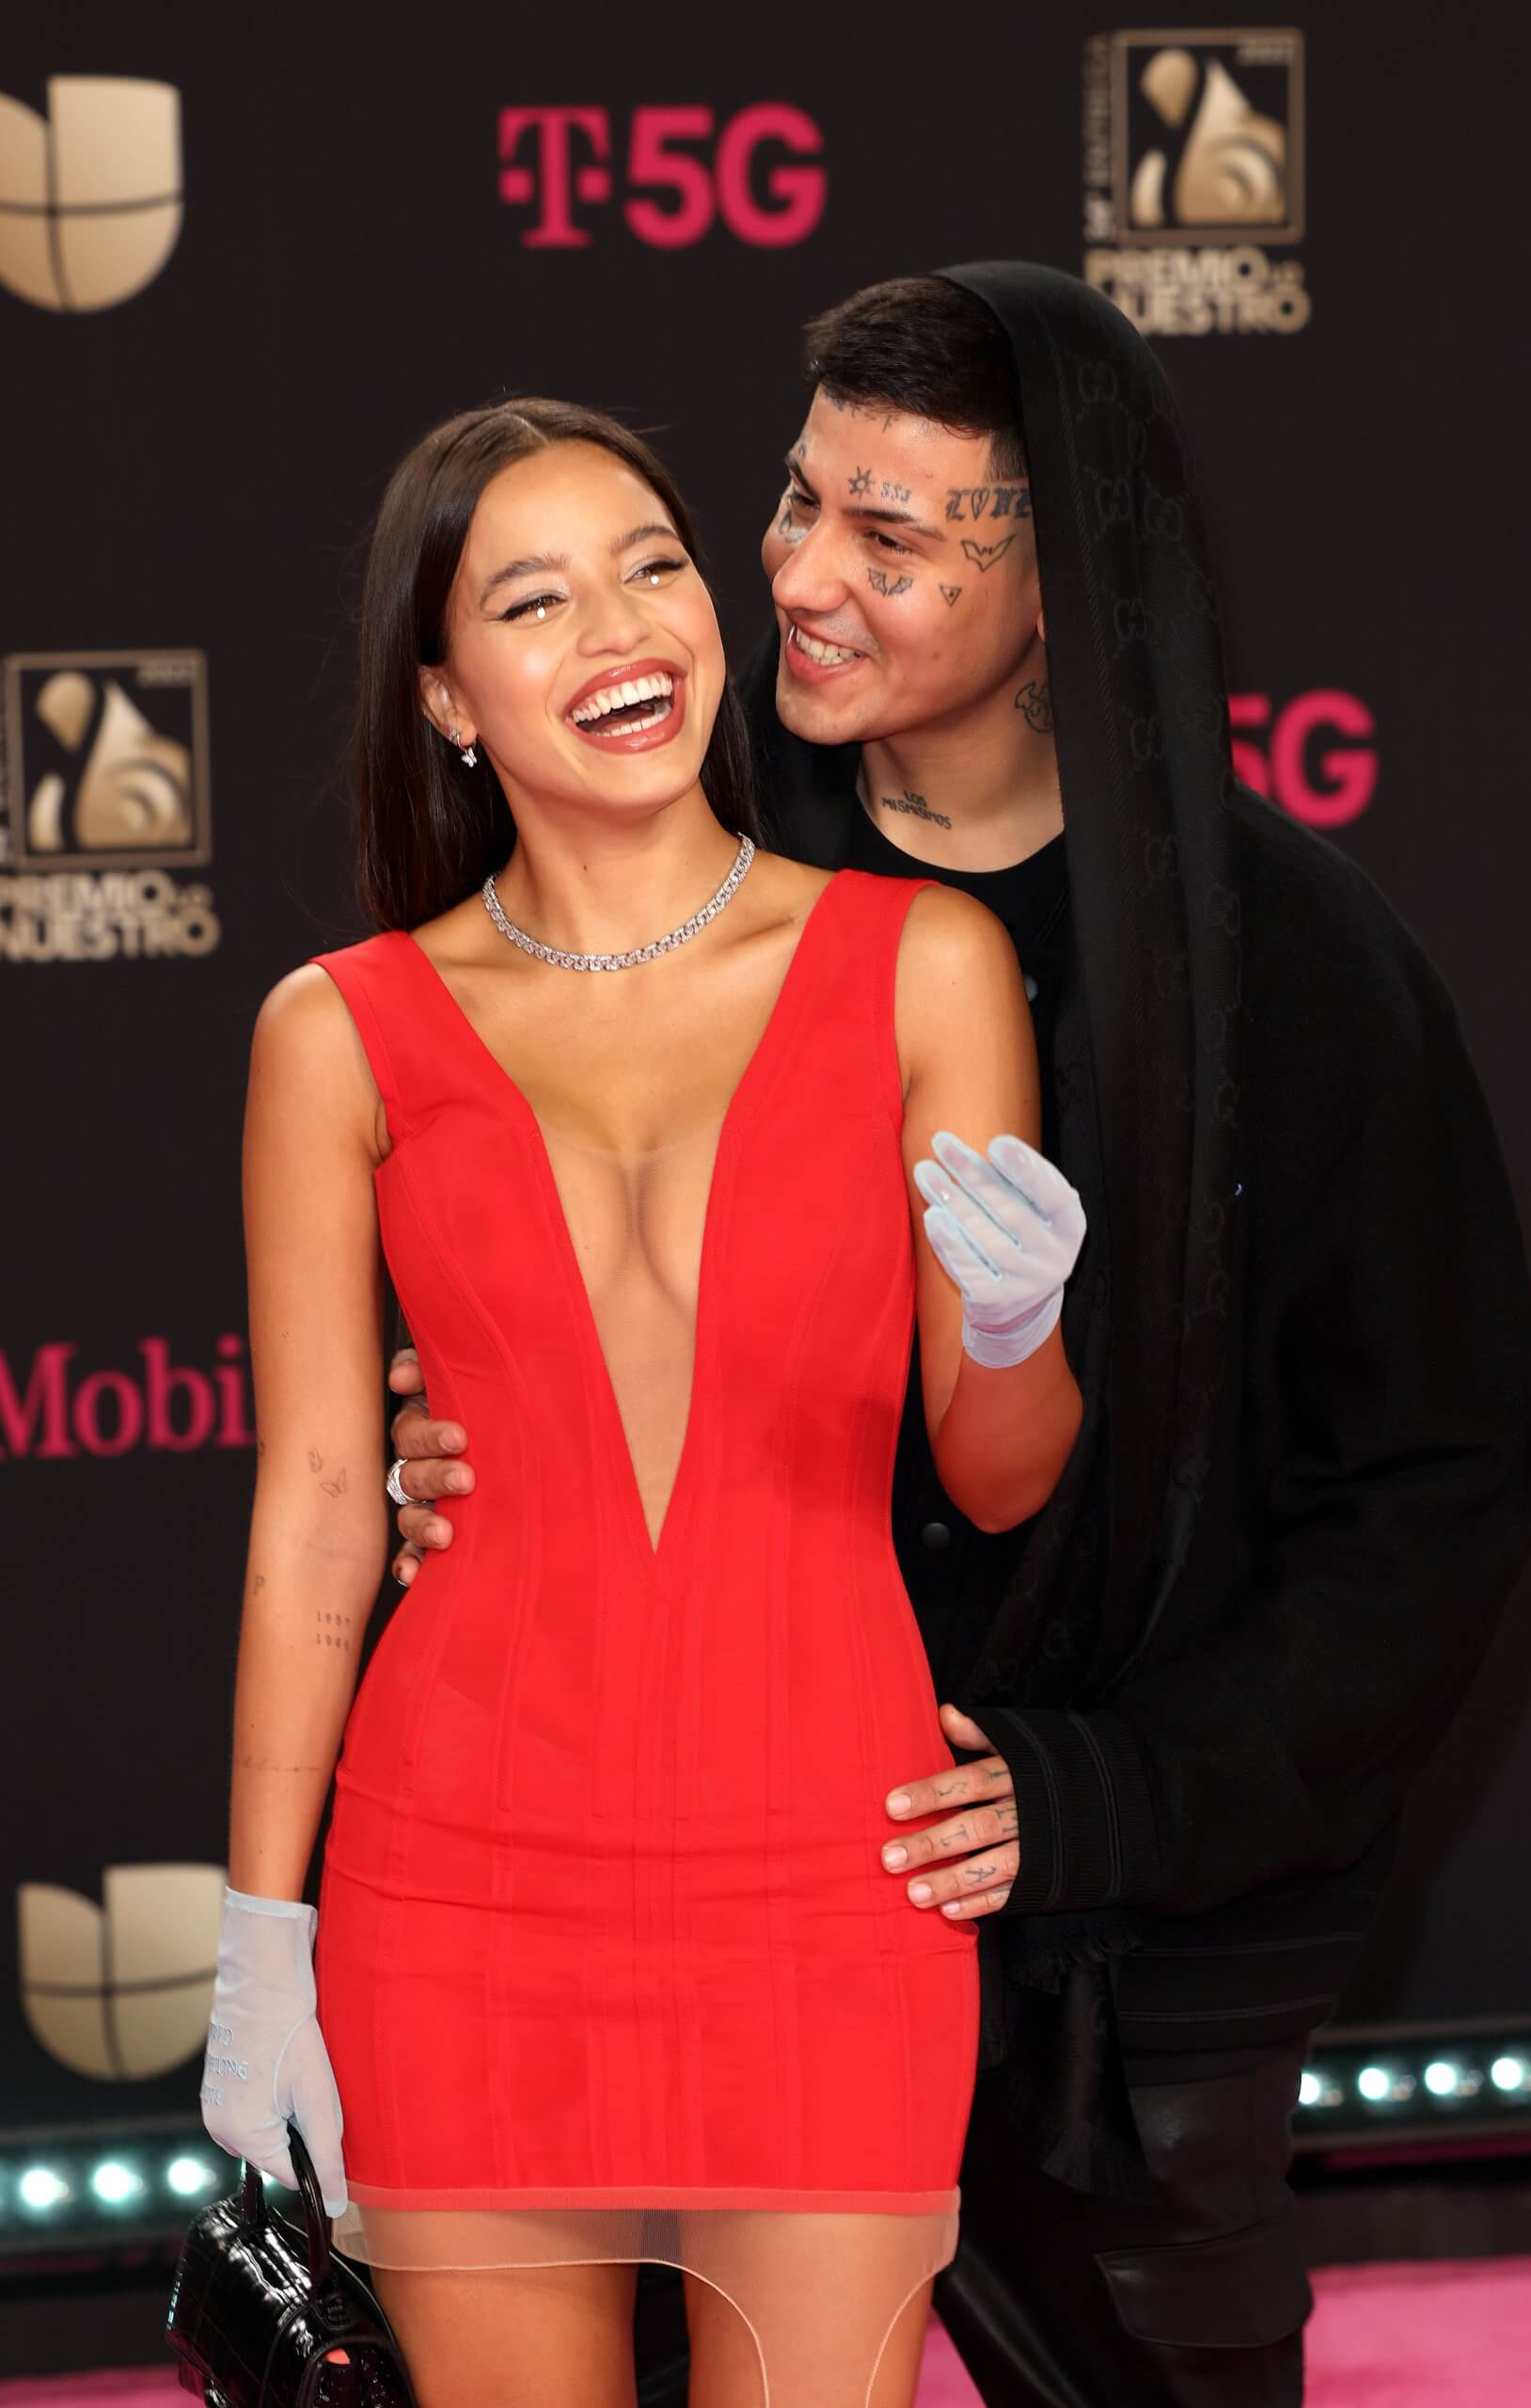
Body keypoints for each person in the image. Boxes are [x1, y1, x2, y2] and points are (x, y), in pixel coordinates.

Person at [387, 270, 1531, 2407]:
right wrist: (459, 1422)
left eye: (896, 539)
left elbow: (1434, 1491)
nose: (800, 580)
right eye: (795, 500)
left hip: (1139, 1969)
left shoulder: (1288, 963)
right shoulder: (676, 862)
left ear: (1056, 587)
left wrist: (1115, 1795)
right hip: (706, 1886)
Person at [198, 395, 1084, 2408]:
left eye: (654, 564)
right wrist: (261, 1935)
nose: (620, 629)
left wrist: (1016, 1323)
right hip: (458, 1890)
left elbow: (998, 1473)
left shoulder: (923, 964)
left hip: (829, 1872)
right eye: (534, 599)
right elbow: (320, 1508)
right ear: (444, 696)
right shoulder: (337, 1031)